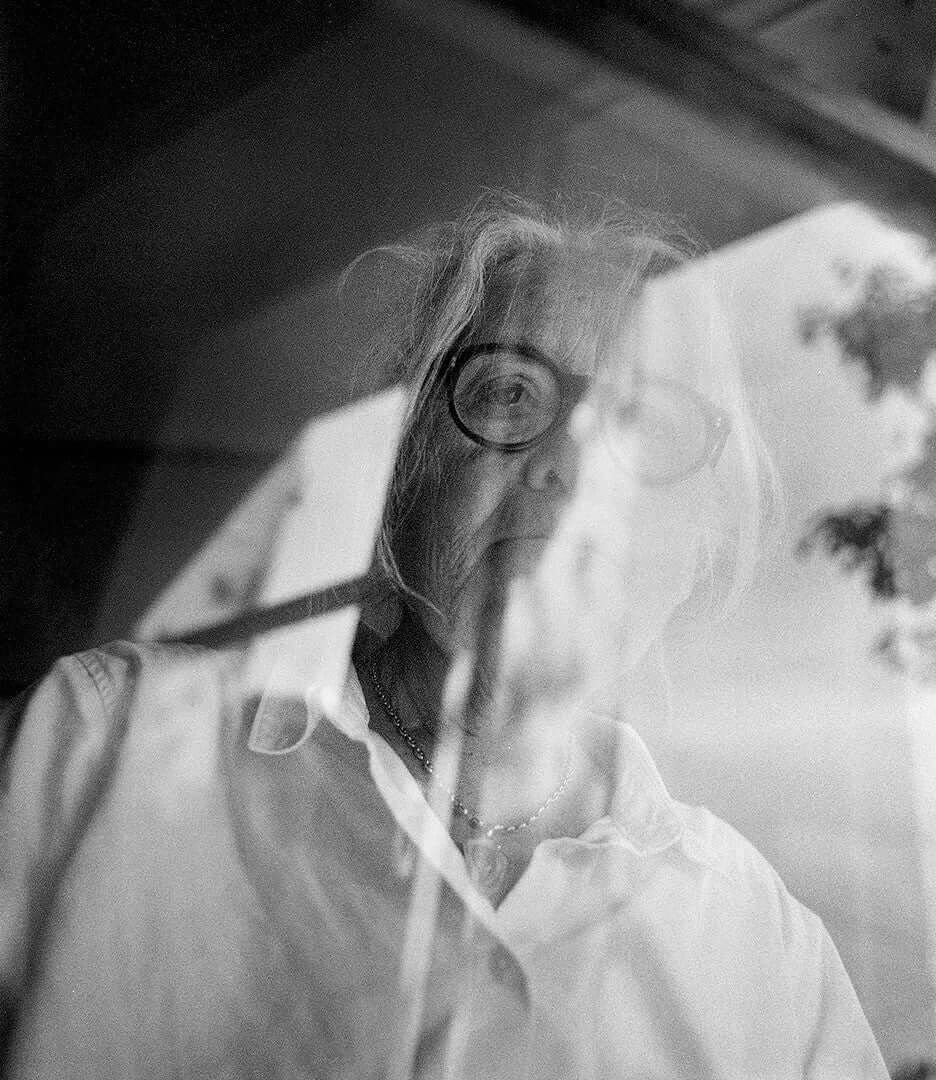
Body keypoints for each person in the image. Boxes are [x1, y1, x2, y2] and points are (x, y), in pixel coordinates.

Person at [0, 193, 889, 1078]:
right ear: (404, 469)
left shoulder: (763, 951)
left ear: (702, 545)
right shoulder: (92, 748)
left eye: (643, 422)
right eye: (509, 392)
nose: (570, 464)